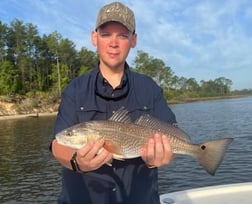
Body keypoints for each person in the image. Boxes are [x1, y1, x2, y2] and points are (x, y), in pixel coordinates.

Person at [50, 2, 177, 204]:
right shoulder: (74, 89)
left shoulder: (149, 88)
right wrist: (77, 162)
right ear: (94, 37)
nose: (114, 43)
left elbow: (172, 133)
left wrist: (161, 158)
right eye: (106, 34)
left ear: (133, 40)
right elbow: (58, 144)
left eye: (123, 35)